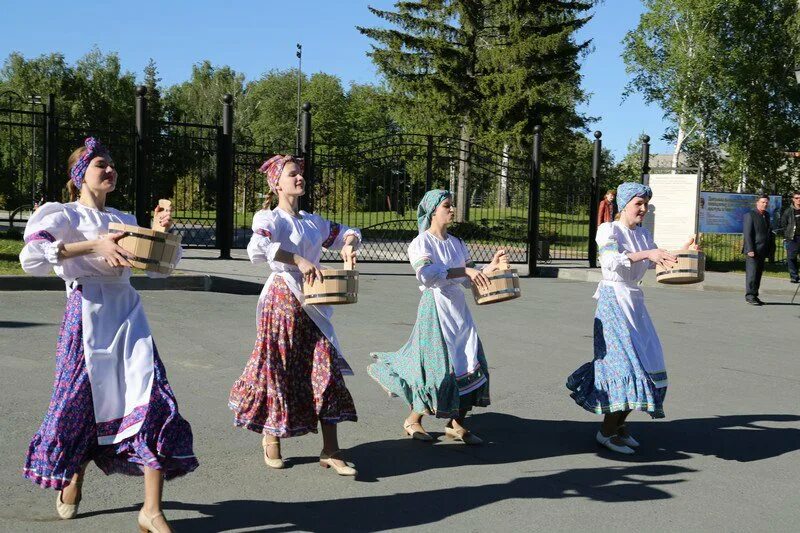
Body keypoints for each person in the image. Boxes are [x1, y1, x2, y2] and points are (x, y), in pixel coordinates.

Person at [19, 138, 197, 532]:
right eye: (102, 164)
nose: (110, 169)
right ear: (80, 174)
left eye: (113, 164)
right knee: (82, 409)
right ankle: (76, 472)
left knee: (153, 402)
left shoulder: (123, 217)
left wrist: (158, 233)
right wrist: (92, 244)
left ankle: (151, 510)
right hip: (86, 317)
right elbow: (31, 258)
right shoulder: (63, 214)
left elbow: (157, 270)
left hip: (129, 318)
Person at [229, 155, 361, 476]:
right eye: (293, 174)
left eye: (300, 174)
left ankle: (331, 449)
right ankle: (271, 435)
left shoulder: (313, 221)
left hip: (315, 303)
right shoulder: (269, 218)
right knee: (280, 368)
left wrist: (348, 244)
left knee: (326, 369)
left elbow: (348, 230)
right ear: (277, 183)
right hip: (282, 299)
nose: (300, 178)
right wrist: (298, 259)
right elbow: (256, 249)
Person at [566, 182, 697, 454]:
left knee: (648, 364)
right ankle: (606, 432)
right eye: (638, 204)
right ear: (624, 205)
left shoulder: (643, 234)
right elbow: (612, 261)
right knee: (626, 367)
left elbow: (651, 261)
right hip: (613, 300)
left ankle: (618, 426)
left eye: (646, 204)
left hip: (635, 302)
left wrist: (682, 250)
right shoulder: (609, 230)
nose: (643, 209)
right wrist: (648, 253)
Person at [368, 189, 507, 445]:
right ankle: (413, 420)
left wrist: (492, 266)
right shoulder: (422, 242)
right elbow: (427, 274)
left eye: (452, 205)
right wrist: (463, 270)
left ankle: (456, 424)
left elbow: (469, 278)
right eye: (447, 205)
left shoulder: (456, 243)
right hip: (435, 307)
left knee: (468, 362)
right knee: (438, 370)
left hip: (459, 310)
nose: (452, 209)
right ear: (433, 211)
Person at [742, 195, 775, 305]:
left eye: (766, 202)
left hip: (762, 249)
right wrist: (750, 249)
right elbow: (747, 234)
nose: (765, 204)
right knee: (752, 273)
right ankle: (750, 296)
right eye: (762, 202)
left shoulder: (766, 215)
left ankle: (755, 295)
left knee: (758, 274)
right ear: (757, 203)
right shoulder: (750, 215)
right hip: (753, 250)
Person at [779, 191, 800, 283]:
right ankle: (794, 276)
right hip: (792, 238)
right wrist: (786, 236)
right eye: (796, 198)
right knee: (791, 257)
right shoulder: (788, 211)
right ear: (793, 199)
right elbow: (783, 224)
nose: (799, 200)